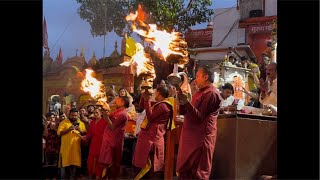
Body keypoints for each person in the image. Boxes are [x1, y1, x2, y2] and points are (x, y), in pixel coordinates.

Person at [176, 65, 223, 179]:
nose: (195, 79)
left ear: (206, 77)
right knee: (185, 173)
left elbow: (199, 117)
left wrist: (186, 102)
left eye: (197, 76)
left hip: (200, 140)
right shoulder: (198, 92)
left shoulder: (211, 93)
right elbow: (184, 112)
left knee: (197, 173)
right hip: (190, 140)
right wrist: (180, 96)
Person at [132, 86, 174, 179]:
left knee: (149, 163)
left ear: (158, 93)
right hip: (148, 134)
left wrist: (147, 100)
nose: (154, 93)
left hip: (153, 136)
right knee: (141, 162)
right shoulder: (159, 103)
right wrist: (144, 95)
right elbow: (143, 106)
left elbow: (150, 116)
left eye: (155, 92)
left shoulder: (164, 105)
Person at [99, 96, 130, 179]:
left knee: (112, 164)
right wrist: (104, 108)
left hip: (114, 142)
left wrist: (106, 117)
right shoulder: (116, 111)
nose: (116, 100)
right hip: (108, 141)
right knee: (106, 163)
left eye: (118, 99)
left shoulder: (123, 114)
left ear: (123, 102)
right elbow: (107, 116)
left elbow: (113, 127)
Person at [57, 108, 86, 179]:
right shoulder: (64, 122)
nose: (74, 117)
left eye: (75, 115)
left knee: (74, 167)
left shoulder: (81, 123)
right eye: (72, 115)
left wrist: (80, 130)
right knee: (64, 167)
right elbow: (59, 133)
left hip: (75, 149)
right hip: (65, 150)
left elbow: (85, 134)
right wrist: (69, 129)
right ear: (69, 115)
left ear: (78, 115)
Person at [82, 107, 108, 179]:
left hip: (101, 143)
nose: (95, 114)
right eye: (94, 113)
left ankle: (98, 176)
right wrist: (86, 137)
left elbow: (107, 133)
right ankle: (91, 175)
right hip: (93, 142)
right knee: (90, 160)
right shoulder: (92, 122)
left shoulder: (105, 122)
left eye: (97, 113)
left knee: (99, 161)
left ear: (101, 113)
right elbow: (90, 132)